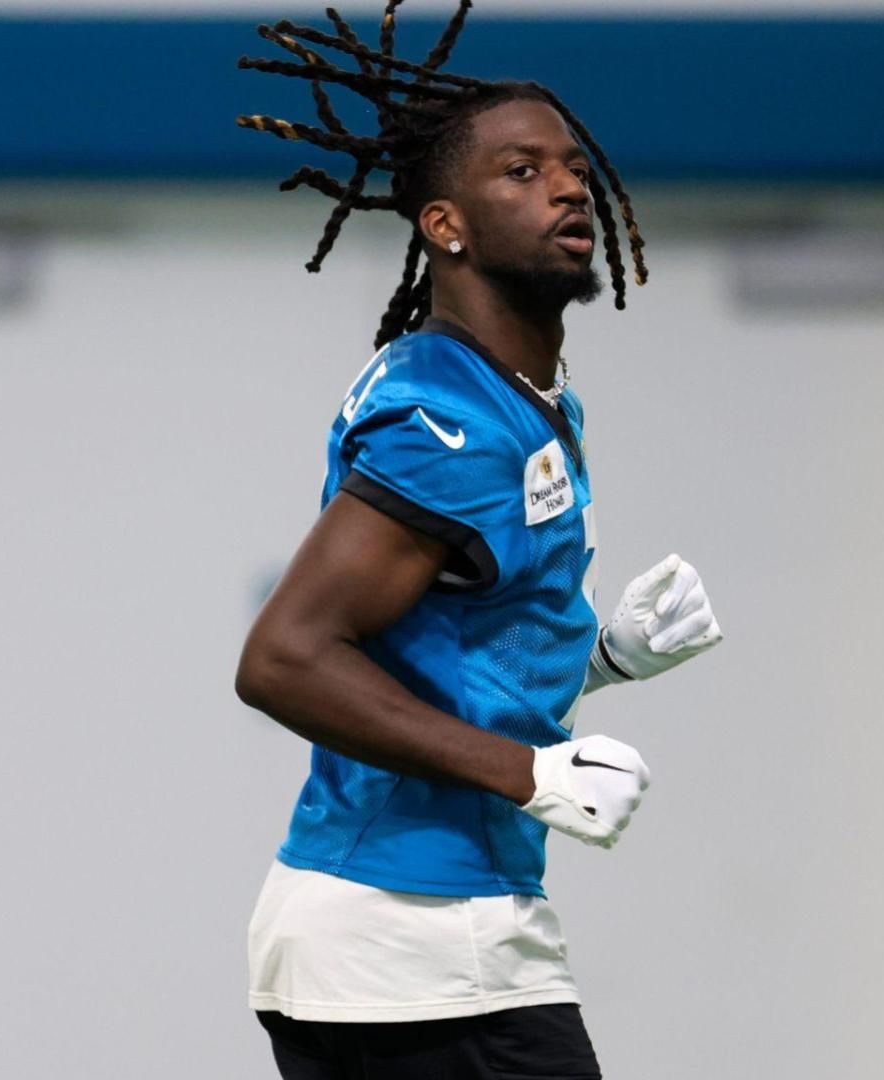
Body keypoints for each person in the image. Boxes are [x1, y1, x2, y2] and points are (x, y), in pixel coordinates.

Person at [233, 4, 723, 1076]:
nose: (566, 184)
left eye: (571, 165)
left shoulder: (527, 399)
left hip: (451, 929)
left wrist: (601, 659)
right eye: (520, 170)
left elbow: (447, 644)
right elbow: (284, 659)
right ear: (445, 225)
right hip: (405, 934)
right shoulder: (447, 423)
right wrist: (525, 771)